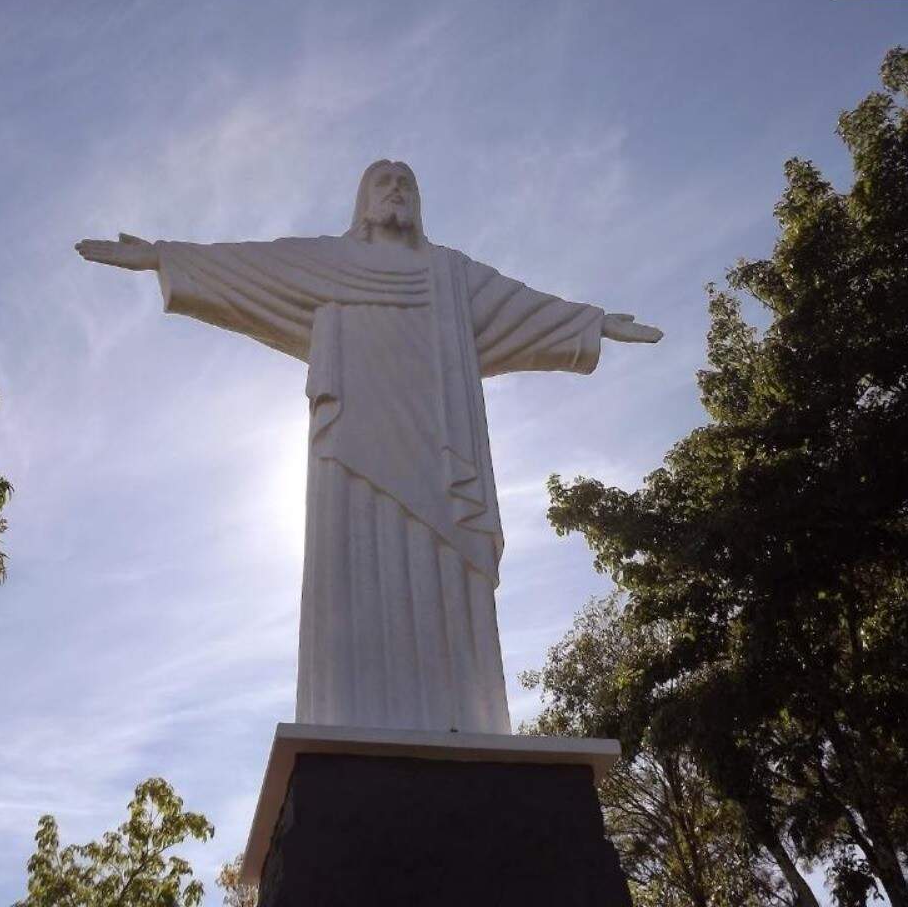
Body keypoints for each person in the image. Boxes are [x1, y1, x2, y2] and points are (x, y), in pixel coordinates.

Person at [77, 159, 661, 734]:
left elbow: (522, 309)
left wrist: (594, 324)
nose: (397, 189)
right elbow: (255, 267)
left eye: (406, 182)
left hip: (439, 455)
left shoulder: (451, 277)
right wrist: (165, 257)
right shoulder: (329, 264)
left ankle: (463, 718)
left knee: (444, 578)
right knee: (357, 563)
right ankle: (352, 715)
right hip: (352, 451)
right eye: (384, 181)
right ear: (363, 202)